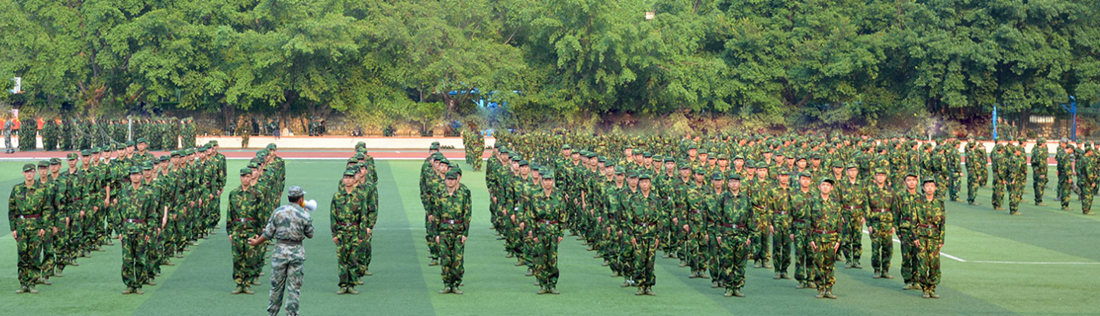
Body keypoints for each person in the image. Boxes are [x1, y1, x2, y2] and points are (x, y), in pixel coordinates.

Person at [249, 186, 314, 316]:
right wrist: (305, 215)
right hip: (296, 252)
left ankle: (272, 313)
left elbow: (268, 233)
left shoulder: (278, 212)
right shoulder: (304, 214)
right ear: (301, 199)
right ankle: (292, 313)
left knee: (276, 287)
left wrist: (256, 242)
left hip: (280, 252)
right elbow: (310, 234)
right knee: (294, 288)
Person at [10, 163, 45, 294]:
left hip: (36, 225)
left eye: (31, 172)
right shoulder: (17, 189)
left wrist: (44, 227)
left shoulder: (42, 189)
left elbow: (47, 209)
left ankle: (32, 283)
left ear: (35, 173)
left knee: (34, 255)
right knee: (22, 255)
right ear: (23, 173)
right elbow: (12, 209)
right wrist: (13, 228)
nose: (29, 174)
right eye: (27, 172)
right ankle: (23, 283)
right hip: (21, 226)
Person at [436, 169, 471, 294]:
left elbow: (467, 215)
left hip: (458, 231)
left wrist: (465, 233)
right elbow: (436, 215)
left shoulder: (463, 196)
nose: (450, 182)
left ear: (456, 181)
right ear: (445, 180)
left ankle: (456, 284)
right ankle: (446, 284)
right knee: (445, 259)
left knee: (457, 260)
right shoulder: (440, 195)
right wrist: (436, 234)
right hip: (444, 231)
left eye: (453, 179)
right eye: (448, 179)